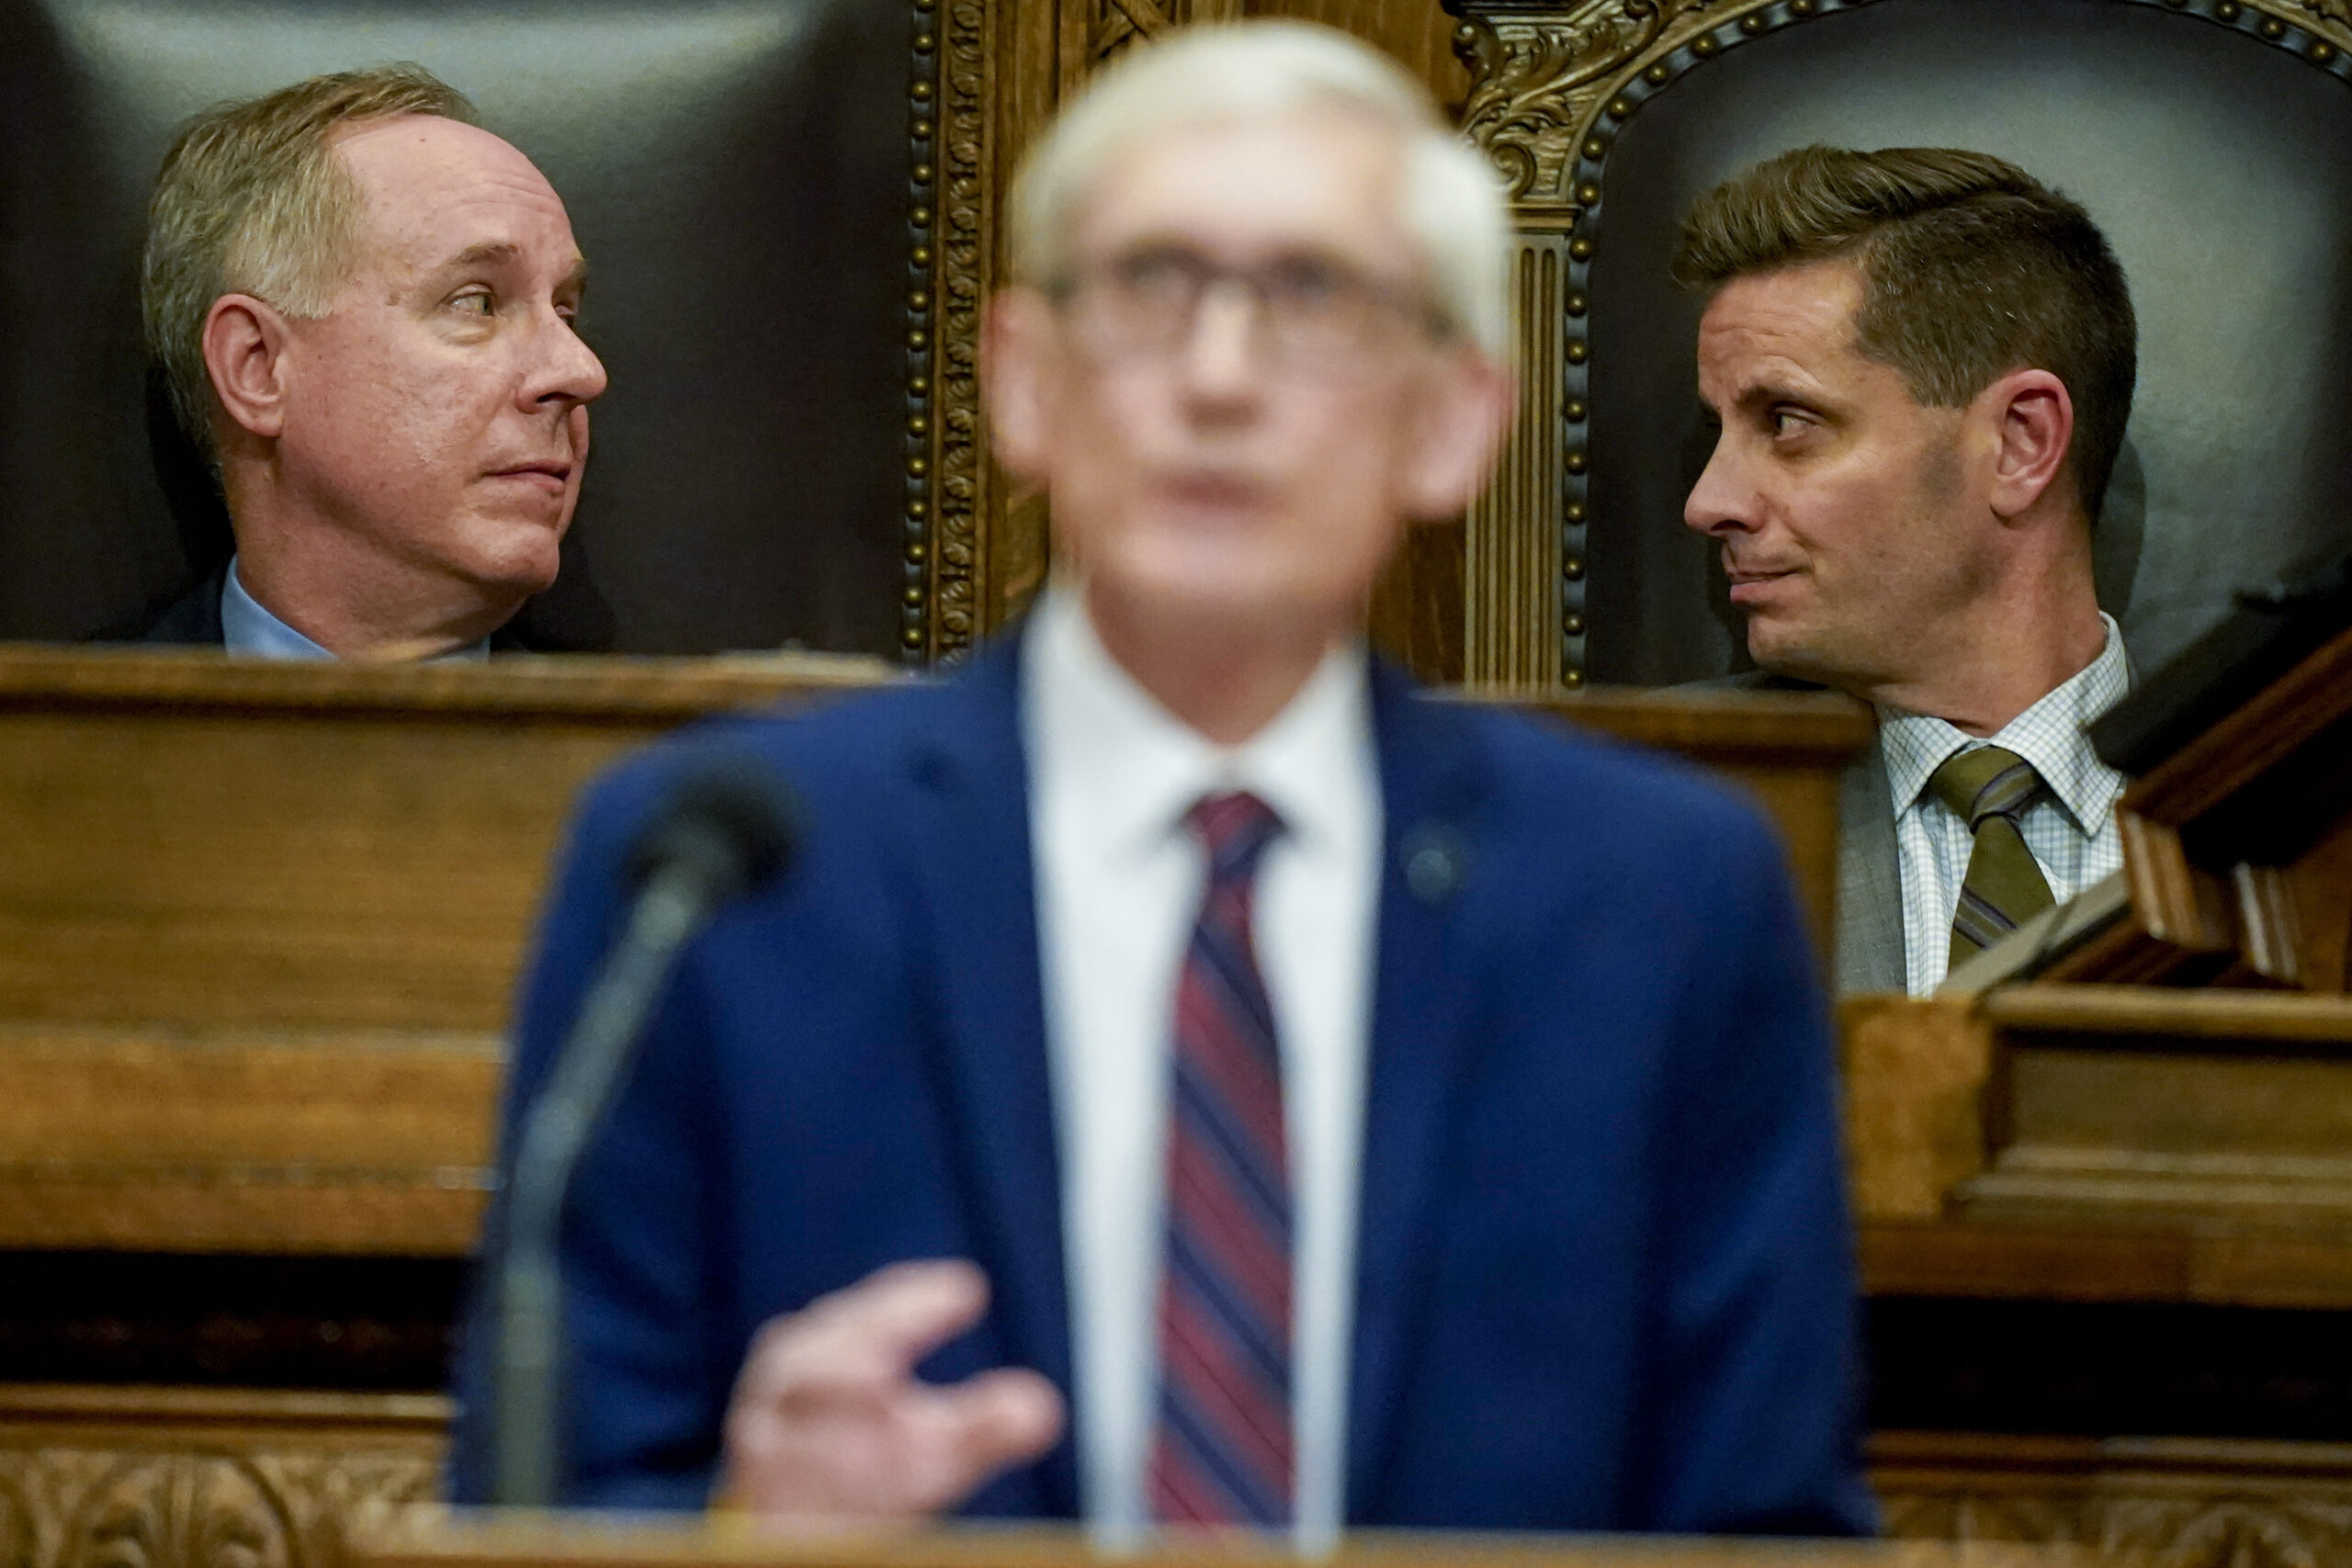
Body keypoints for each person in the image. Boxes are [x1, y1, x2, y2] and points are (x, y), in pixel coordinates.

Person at [452, 22, 1870, 1540]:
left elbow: (1765, 1529)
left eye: (1314, 297)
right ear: (1024, 384)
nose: (1217, 376)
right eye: (1147, 290)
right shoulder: (724, 870)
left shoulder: (1659, 903)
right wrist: (743, 1544)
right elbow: (536, 1503)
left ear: (1456, 416)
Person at [1677, 146, 2138, 997]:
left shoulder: (2289, 816)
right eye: (1718, 431)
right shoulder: (1659, 810)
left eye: (1786, 421)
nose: (1708, 502)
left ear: (2019, 444)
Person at [118, 65, 606, 659]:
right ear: (258, 367)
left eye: (566, 311)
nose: (582, 371)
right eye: (477, 302)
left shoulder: (667, 751)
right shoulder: (45, 743)